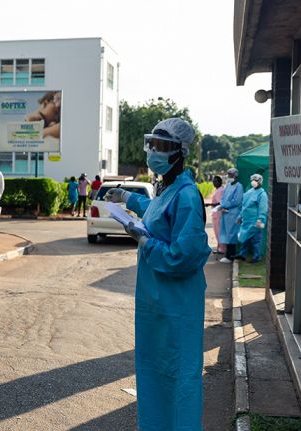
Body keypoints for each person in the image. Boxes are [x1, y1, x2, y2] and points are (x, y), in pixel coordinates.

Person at [105, 118, 211, 430]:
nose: (155, 153)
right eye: (152, 145)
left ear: (180, 152)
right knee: (153, 375)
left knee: (178, 379)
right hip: (156, 304)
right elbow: (155, 210)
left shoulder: (188, 195)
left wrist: (145, 241)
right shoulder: (169, 188)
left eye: (163, 147)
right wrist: (125, 198)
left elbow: (184, 256)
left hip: (177, 306)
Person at [236, 174, 268, 263]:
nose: (254, 181)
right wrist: (240, 216)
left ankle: (256, 257)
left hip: (255, 221)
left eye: (256, 180)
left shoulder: (262, 194)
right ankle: (242, 255)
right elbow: (244, 206)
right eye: (253, 179)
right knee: (244, 237)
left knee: (256, 240)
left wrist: (260, 219)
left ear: (260, 182)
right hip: (246, 220)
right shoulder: (249, 192)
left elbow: (263, 208)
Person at [218, 168, 244, 263]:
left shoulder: (239, 186)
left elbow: (237, 201)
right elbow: (223, 198)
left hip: (233, 213)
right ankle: (227, 255)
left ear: (236, 175)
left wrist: (226, 205)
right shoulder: (228, 185)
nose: (229, 176)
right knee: (226, 234)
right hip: (225, 213)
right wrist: (222, 205)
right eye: (228, 174)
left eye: (231, 175)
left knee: (232, 234)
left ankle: (230, 256)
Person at [209, 176, 226, 254]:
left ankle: (222, 249)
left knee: (219, 232)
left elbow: (220, 203)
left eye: (215, 181)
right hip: (216, 214)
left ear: (220, 182)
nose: (214, 183)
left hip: (218, 214)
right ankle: (219, 248)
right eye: (213, 181)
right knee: (217, 232)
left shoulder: (220, 191)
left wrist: (209, 204)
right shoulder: (218, 190)